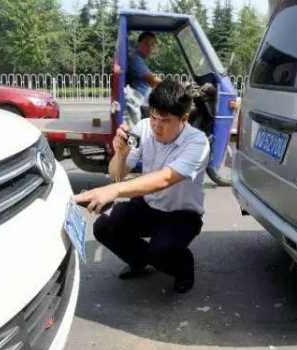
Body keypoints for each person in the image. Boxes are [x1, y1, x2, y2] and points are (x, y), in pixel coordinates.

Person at [73, 80, 209, 294]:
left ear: (183, 119)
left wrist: (112, 191)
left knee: (161, 252)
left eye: (165, 120)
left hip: (182, 215)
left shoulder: (198, 143)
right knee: (104, 227)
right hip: (148, 206)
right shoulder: (142, 129)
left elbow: (164, 179)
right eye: (154, 117)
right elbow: (117, 175)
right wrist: (121, 153)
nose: (156, 125)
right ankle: (139, 260)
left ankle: (183, 266)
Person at [128, 31, 163, 102]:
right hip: (140, 104)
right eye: (146, 43)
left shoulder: (139, 59)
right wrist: (173, 86)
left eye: (152, 44)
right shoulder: (135, 59)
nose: (149, 47)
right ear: (138, 44)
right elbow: (153, 81)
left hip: (144, 101)